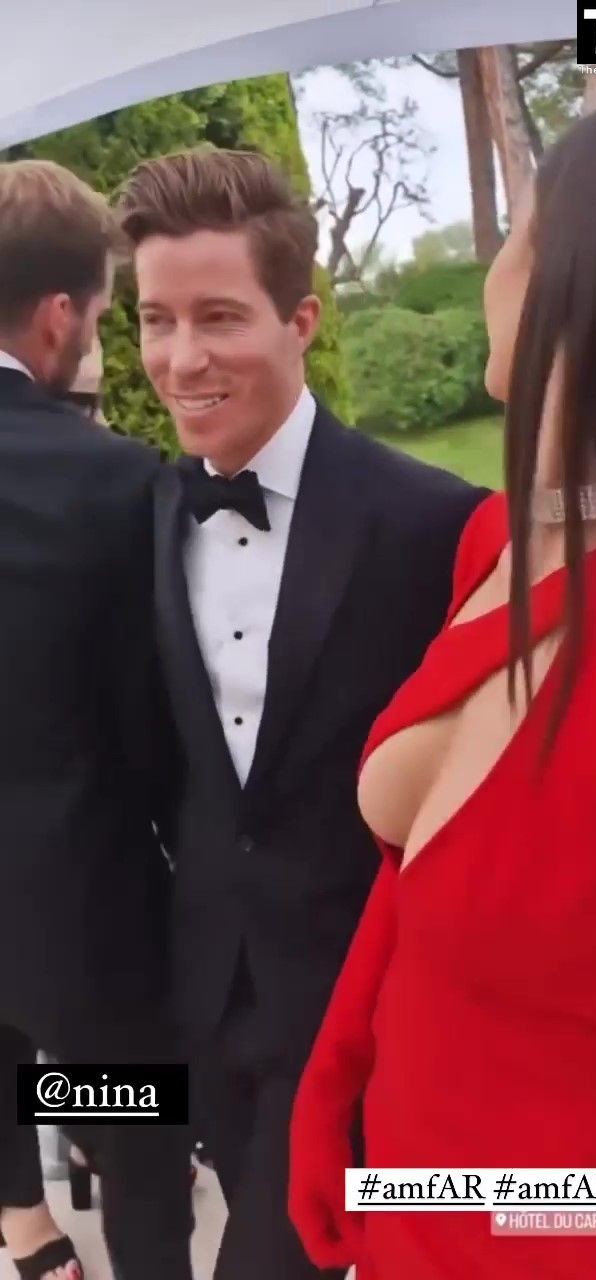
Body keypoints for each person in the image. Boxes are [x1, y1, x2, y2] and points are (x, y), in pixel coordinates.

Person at [288, 78, 596, 1280]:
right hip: (415, 1200)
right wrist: (333, 1095)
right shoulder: (498, 545)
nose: (493, 268)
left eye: (519, 233)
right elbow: (415, 888)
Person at [114, 146, 483, 1280]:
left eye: (219, 317)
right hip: (208, 1005)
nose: (181, 358)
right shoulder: (140, 516)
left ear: (302, 321)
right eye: (157, 320)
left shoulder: (433, 522)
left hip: (363, 1008)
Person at [0, 159, 194, 1280]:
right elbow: (153, 727)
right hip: (84, 909)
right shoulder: (117, 481)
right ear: (59, 315)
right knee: (141, 1149)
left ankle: (26, 1232)